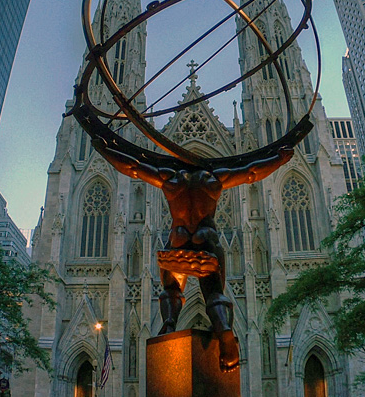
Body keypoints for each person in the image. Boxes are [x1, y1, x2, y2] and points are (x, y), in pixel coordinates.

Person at [93, 139, 295, 371]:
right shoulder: (212, 179)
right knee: (214, 294)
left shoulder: (170, 178)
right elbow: (251, 172)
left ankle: (169, 324)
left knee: (171, 290)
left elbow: (133, 167)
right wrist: (279, 159)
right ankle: (225, 333)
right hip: (205, 243)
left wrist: (104, 148)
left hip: (177, 243)